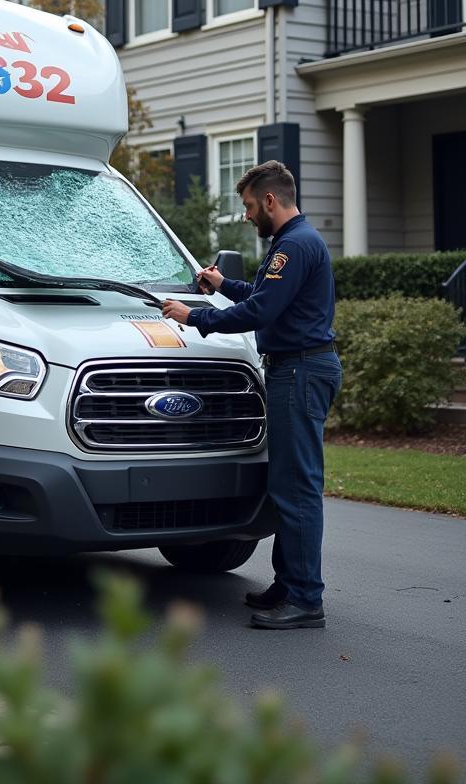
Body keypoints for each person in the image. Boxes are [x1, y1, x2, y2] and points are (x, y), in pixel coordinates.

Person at [161, 160, 342, 630]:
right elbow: (264, 294)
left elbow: (262, 310)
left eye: (246, 206)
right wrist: (223, 285)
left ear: (269, 201)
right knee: (285, 485)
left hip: (300, 370)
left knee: (297, 487)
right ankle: (289, 584)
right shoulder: (293, 243)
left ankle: (305, 599)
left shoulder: (295, 245)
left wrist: (193, 317)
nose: (245, 216)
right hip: (299, 367)